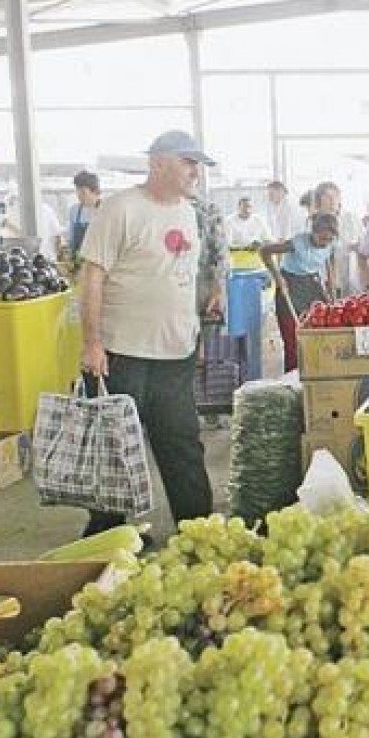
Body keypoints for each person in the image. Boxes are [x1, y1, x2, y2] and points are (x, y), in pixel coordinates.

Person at [79, 129, 223, 537]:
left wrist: (194, 323)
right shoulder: (121, 208)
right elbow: (91, 276)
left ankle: (199, 533)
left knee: (182, 444)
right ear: (158, 162)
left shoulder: (190, 213)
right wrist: (91, 343)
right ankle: (106, 539)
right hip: (121, 354)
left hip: (175, 355)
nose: (195, 171)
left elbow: (179, 274)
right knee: (115, 451)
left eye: (197, 164)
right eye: (188, 162)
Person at [260, 211, 337, 373]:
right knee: (292, 337)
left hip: (312, 284)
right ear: (313, 232)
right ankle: (293, 377)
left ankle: (317, 374)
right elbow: (264, 251)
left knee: (319, 332)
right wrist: (277, 276)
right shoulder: (297, 243)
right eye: (321, 239)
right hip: (290, 283)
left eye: (329, 239)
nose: (325, 243)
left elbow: (330, 262)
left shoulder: (330, 243)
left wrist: (331, 290)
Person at [315, 181, 363, 297]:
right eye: (327, 196)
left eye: (335, 196)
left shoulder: (351, 218)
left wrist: (357, 246)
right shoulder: (313, 221)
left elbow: (363, 242)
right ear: (319, 200)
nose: (332, 200)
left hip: (349, 271)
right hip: (323, 275)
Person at [66, 170, 101, 262]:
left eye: (83, 192)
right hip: (78, 262)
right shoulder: (74, 210)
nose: (79, 195)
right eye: (77, 191)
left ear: (94, 191)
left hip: (98, 263)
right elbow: (71, 239)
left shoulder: (105, 210)